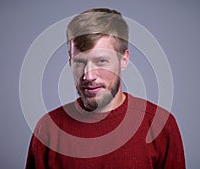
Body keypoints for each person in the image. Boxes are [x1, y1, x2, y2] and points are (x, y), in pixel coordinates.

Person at [26, 8, 185, 169]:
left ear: (124, 59)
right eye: (79, 62)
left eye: (101, 61)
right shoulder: (48, 129)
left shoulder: (160, 125)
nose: (88, 76)